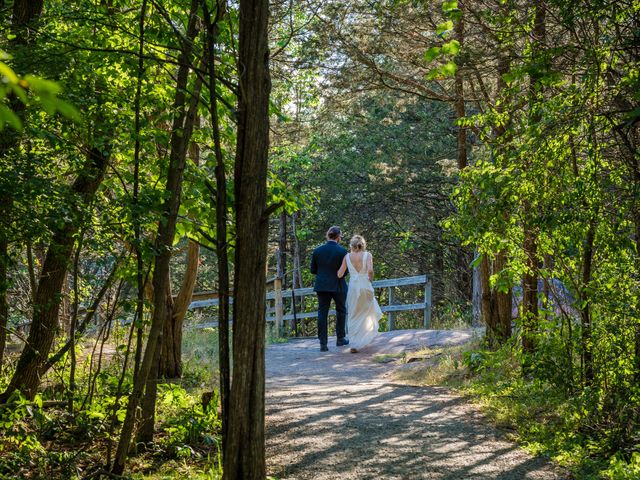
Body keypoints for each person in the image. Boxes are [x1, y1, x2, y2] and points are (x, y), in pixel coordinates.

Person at [337, 235, 382, 353]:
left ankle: (354, 343)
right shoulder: (367, 255)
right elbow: (370, 270)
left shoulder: (347, 257)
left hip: (353, 287)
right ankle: (365, 338)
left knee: (353, 313)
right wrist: (369, 279)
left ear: (351, 245)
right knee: (367, 312)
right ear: (362, 244)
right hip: (365, 285)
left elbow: (340, 274)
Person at [310, 226, 349, 351]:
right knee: (341, 311)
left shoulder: (317, 251)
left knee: (322, 313)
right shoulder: (342, 251)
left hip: (322, 286)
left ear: (328, 236)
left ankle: (323, 343)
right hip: (338, 285)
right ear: (338, 237)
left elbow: (313, 270)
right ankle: (340, 338)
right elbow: (345, 272)